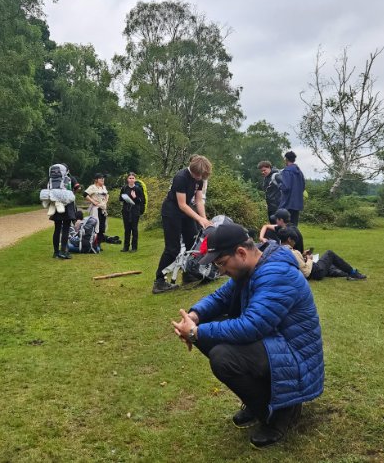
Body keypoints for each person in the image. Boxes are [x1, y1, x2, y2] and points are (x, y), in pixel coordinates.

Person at [171, 222, 324, 448]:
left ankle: (282, 413)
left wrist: (195, 332)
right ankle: (261, 401)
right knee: (209, 334)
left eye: (222, 263)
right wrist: (195, 316)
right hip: (275, 344)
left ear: (241, 253)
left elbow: (252, 326)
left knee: (223, 356)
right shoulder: (252, 267)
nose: (221, 270)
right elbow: (220, 297)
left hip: (295, 357)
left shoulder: (276, 273)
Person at [153, 155, 213, 294]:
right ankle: (159, 282)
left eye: (202, 176)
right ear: (193, 171)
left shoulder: (200, 178)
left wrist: (204, 219)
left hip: (186, 211)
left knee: (193, 243)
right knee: (172, 248)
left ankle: (189, 273)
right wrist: (198, 218)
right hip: (172, 211)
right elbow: (182, 205)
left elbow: (198, 201)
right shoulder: (181, 177)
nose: (200, 178)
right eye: (198, 175)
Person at [276, 227, 367, 281]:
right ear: (289, 239)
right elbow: (306, 273)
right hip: (315, 272)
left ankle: (347, 274)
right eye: (294, 240)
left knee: (329, 266)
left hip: (314, 270)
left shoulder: (279, 250)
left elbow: (296, 261)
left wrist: (303, 255)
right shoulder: (293, 253)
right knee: (329, 254)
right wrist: (309, 260)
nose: (295, 243)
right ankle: (353, 272)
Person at [48, 165, 81, 260]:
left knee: (57, 229)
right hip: (67, 206)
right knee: (66, 229)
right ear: (67, 170)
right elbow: (78, 188)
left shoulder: (52, 179)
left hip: (56, 205)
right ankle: (63, 251)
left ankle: (55, 252)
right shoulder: (70, 178)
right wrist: (72, 193)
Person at [119, 172, 145, 252]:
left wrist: (135, 197)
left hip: (135, 210)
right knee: (127, 229)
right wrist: (125, 198)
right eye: (130, 178)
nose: (131, 180)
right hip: (126, 210)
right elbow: (120, 198)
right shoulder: (124, 188)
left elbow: (142, 200)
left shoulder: (138, 189)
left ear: (135, 179)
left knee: (134, 229)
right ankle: (126, 247)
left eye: (132, 178)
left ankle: (134, 247)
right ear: (127, 179)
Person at [278, 150, 305, 225]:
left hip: (287, 203)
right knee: (294, 226)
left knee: (284, 225)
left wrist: (279, 186)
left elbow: (286, 187)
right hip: (297, 203)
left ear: (286, 159)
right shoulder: (299, 172)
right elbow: (303, 187)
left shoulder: (287, 171)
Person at [84, 173, 109, 245]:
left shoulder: (104, 187)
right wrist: (93, 201)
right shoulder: (92, 187)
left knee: (102, 226)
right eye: (100, 178)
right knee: (95, 225)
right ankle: (94, 243)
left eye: (103, 178)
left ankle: (99, 244)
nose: (102, 179)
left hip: (103, 209)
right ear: (96, 180)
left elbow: (107, 194)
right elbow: (85, 194)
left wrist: (106, 201)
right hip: (96, 209)